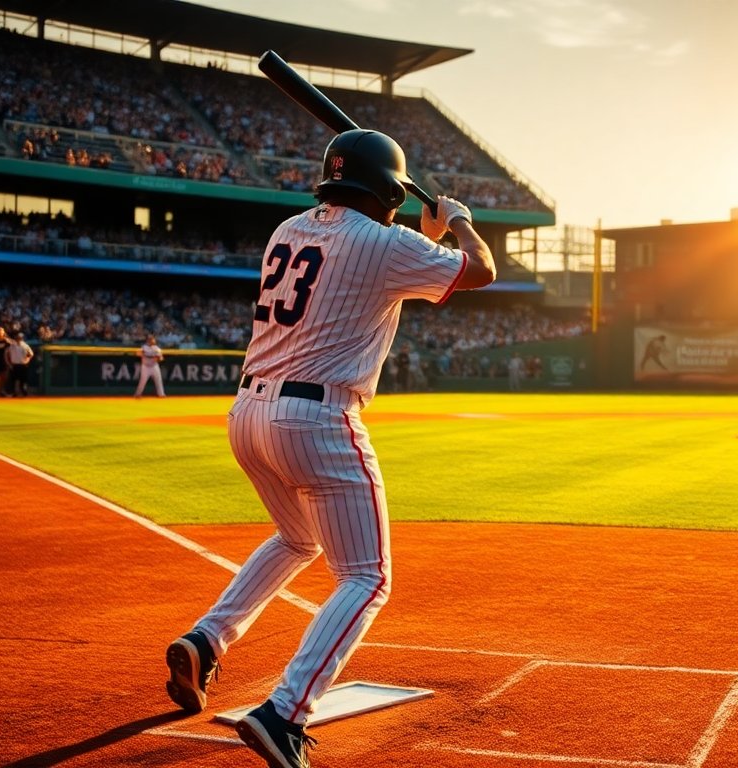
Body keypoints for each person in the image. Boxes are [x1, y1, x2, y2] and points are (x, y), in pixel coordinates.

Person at [164, 129, 495, 768]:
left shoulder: (288, 229)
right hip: (317, 418)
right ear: (388, 192)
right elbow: (478, 271)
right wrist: (458, 223)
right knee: (366, 576)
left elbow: (371, 275)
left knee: (297, 539)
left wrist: (421, 236)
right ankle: (286, 712)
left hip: (248, 415)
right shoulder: (386, 240)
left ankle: (206, 641)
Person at [5, 331, 33, 397]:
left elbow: (31, 354)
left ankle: (23, 393)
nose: (19, 339)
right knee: (13, 380)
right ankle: (14, 393)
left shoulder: (25, 346)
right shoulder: (12, 345)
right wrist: (8, 363)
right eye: (17, 337)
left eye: (20, 338)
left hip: (23, 364)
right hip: (14, 365)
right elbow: (6, 354)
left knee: (23, 380)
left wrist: (27, 360)